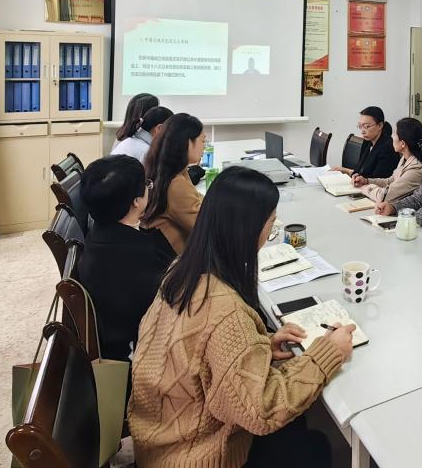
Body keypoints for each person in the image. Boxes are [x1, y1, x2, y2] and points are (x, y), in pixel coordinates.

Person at [128, 167, 356, 468]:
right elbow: (262, 411)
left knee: (301, 430)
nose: (269, 234)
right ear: (248, 230)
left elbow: (203, 358)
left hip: (160, 439)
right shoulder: (225, 311)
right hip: (196, 454)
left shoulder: (182, 270)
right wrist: (328, 353)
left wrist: (259, 345)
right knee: (315, 447)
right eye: (270, 224)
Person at [77, 155, 175, 364]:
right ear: (136, 202)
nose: (149, 188)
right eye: (146, 184)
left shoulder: (99, 236)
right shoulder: (135, 260)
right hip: (142, 355)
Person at [142, 113, 206, 254]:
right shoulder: (176, 184)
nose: (204, 147)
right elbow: (206, 228)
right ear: (188, 143)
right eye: (203, 141)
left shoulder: (165, 171)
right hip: (176, 260)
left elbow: (198, 201)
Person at [352, 117, 422, 203]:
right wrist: (366, 181)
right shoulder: (405, 158)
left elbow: (384, 196)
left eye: (394, 133)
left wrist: (364, 188)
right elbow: (391, 181)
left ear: (403, 143)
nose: (392, 136)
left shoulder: (416, 169)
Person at [332, 106, 400, 179]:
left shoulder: (388, 148)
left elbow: (376, 180)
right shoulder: (368, 142)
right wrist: (346, 171)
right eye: (360, 126)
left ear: (380, 125)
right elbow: (360, 172)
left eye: (366, 126)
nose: (362, 131)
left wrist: (352, 174)